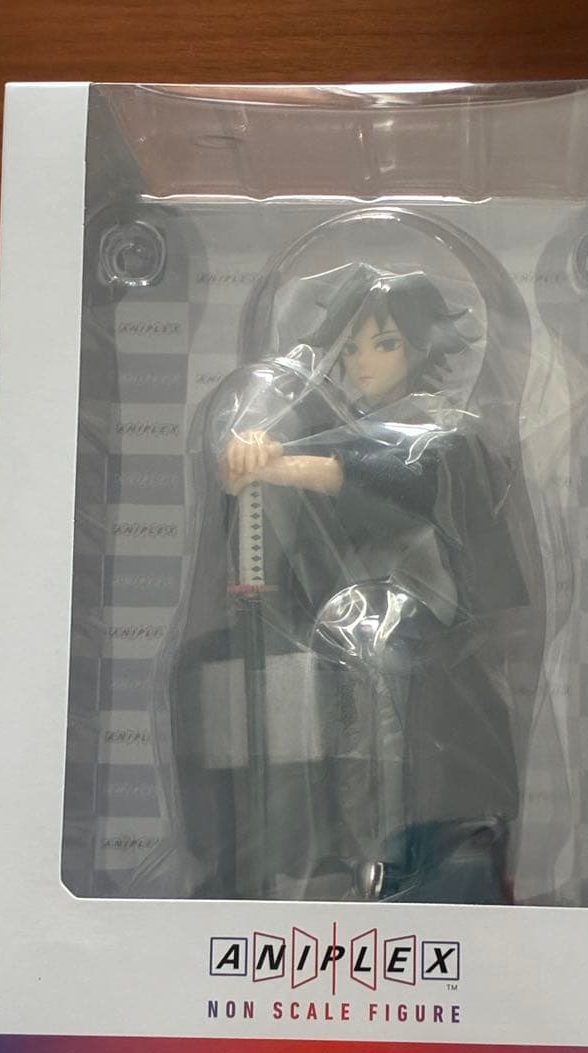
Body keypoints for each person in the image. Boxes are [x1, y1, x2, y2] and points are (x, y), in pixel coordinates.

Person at [170, 264, 528, 903]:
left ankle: (394, 865)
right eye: (352, 347)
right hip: (330, 640)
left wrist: (282, 464)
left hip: (425, 637)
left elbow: (389, 472)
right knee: (254, 691)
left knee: (383, 677)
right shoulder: (323, 425)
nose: (363, 363)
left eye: (384, 344)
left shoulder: (448, 435)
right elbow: (281, 503)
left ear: (419, 348)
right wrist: (252, 451)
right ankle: (285, 861)